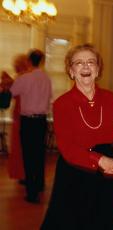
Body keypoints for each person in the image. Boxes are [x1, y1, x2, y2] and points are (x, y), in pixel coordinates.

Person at [41, 44, 113, 230]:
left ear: (98, 69)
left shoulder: (110, 98)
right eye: (79, 63)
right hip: (75, 170)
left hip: (107, 170)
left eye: (91, 62)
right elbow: (67, 148)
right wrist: (99, 159)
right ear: (71, 71)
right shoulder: (62, 104)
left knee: (103, 219)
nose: (86, 67)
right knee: (71, 221)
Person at [10, 49, 52, 203]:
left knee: (28, 156)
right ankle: (40, 184)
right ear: (41, 61)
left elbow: (12, 93)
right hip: (42, 120)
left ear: (28, 61)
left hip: (28, 121)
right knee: (39, 154)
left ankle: (32, 192)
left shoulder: (24, 78)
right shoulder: (47, 79)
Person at [8, 54, 30, 181]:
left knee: (21, 145)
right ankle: (22, 173)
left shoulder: (22, 78)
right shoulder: (22, 78)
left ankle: (23, 173)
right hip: (19, 114)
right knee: (20, 145)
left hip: (22, 114)